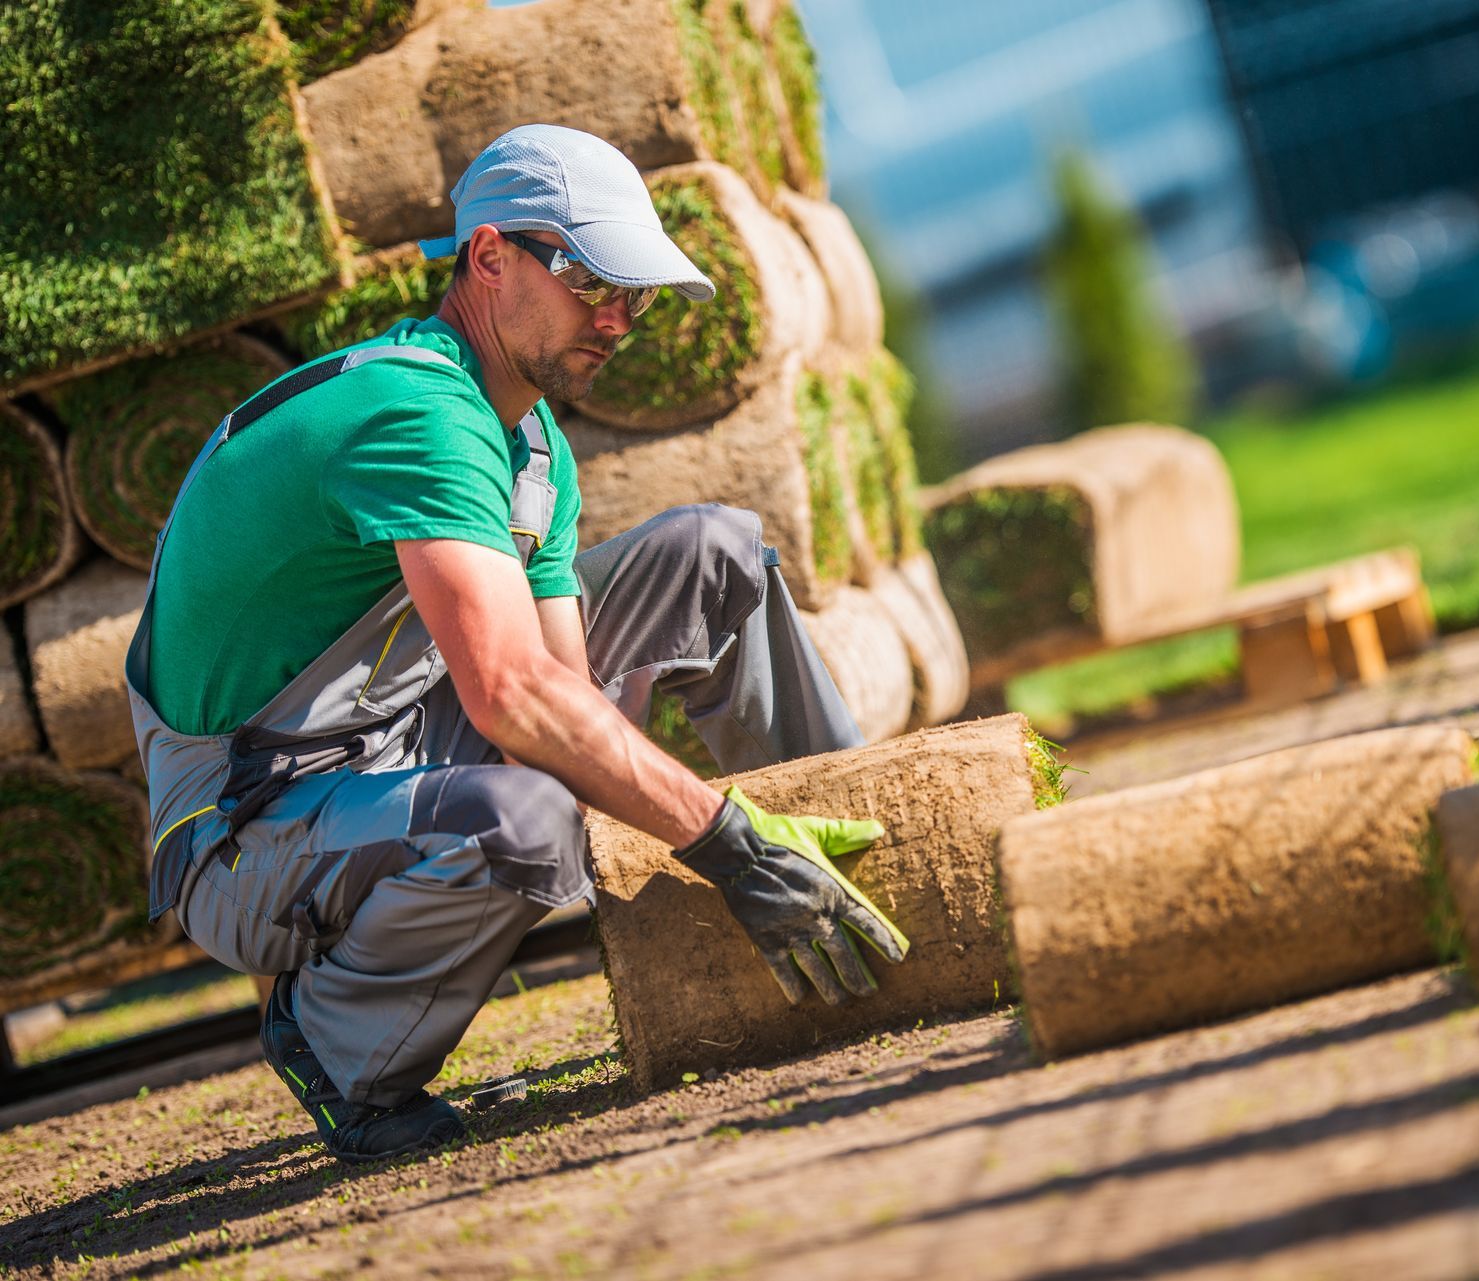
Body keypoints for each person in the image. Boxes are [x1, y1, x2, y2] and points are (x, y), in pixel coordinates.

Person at [126, 124, 908, 1164]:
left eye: (636, 295)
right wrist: (722, 841)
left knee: (715, 553)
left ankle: (859, 880)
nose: (620, 318)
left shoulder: (529, 441)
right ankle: (333, 1044)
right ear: (490, 258)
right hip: (248, 831)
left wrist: (695, 829)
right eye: (594, 282)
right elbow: (508, 699)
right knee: (524, 820)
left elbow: (564, 690)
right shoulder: (413, 412)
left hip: (386, 746)